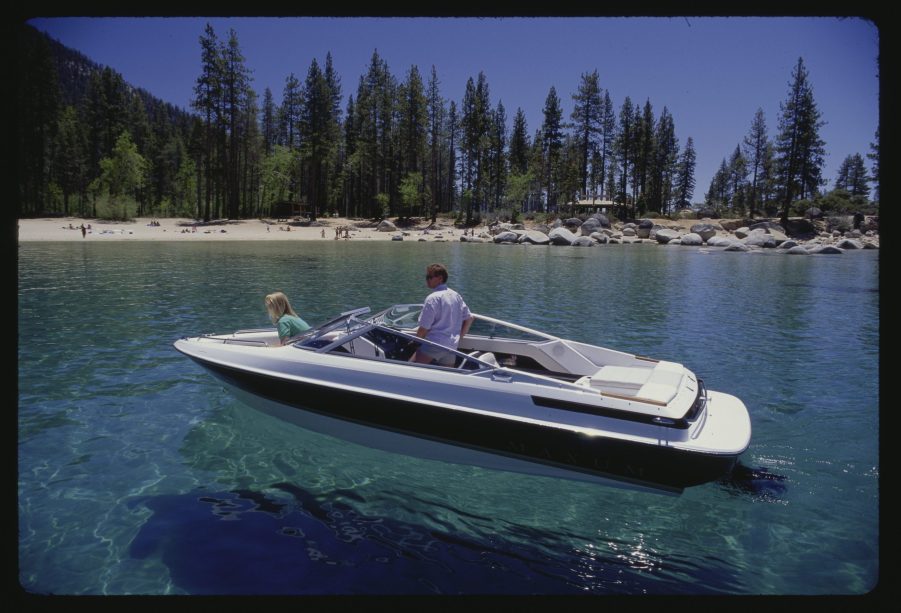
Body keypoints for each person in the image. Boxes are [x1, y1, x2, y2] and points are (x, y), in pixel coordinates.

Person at [410, 263, 474, 366]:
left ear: (440, 278)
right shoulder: (456, 295)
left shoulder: (433, 298)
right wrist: (459, 338)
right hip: (451, 347)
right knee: (446, 378)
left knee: (409, 370)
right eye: (426, 277)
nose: (427, 280)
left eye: (429, 277)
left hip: (434, 345)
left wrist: (414, 343)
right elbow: (470, 318)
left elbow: (423, 328)